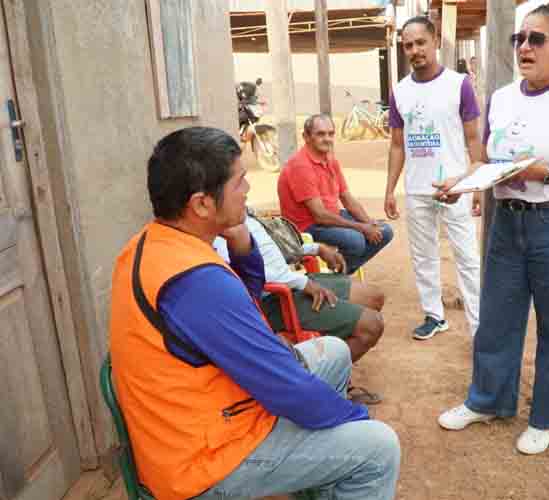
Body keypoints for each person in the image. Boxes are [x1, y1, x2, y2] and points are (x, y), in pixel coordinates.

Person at [109, 127, 400, 500]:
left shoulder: (155, 243)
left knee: (336, 353)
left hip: (205, 413)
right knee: (376, 447)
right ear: (201, 204)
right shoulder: (195, 282)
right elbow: (282, 387)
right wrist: (353, 418)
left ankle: (323, 479)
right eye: (239, 182)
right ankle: (334, 466)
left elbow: (239, 315)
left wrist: (244, 249)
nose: (248, 190)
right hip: (203, 459)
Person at [436, 3, 549, 455]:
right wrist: (466, 180)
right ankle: (488, 400)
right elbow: (487, 160)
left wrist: (545, 172)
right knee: (497, 319)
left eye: (537, 39)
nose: (525, 47)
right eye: (520, 38)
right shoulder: (501, 97)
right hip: (506, 224)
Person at [213, 212, 386, 404]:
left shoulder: (240, 211)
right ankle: (321, 387)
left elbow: (275, 250)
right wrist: (302, 283)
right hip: (274, 297)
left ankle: (331, 374)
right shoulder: (218, 225)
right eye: (238, 183)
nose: (246, 188)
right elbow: (241, 273)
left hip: (291, 282)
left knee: (374, 297)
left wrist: (316, 248)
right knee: (371, 325)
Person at [385, 16, 483, 340]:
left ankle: (479, 326)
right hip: (417, 189)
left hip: (456, 186)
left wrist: (475, 183)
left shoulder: (459, 85)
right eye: (408, 45)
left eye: (420, 42)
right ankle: (434, 315)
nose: (415, 50)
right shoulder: (400, 91)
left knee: (467, 256)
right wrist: (390, 189)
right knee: (423, 255)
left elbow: (473, 141)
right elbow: (397, 144)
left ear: (435, 41)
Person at [279, 114, 394, 275]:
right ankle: (338, 279)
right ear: (306, 137)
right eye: (320, 134)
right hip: (307, 226)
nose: (327, 139)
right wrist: (362, 227)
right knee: (356, 241)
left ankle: (340, 275)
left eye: (330, 134)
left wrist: (369, 223)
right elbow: (320, 216)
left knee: (384, 231)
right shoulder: (300, 166)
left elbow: (347, 199)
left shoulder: (330, 160)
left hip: (330, 217)